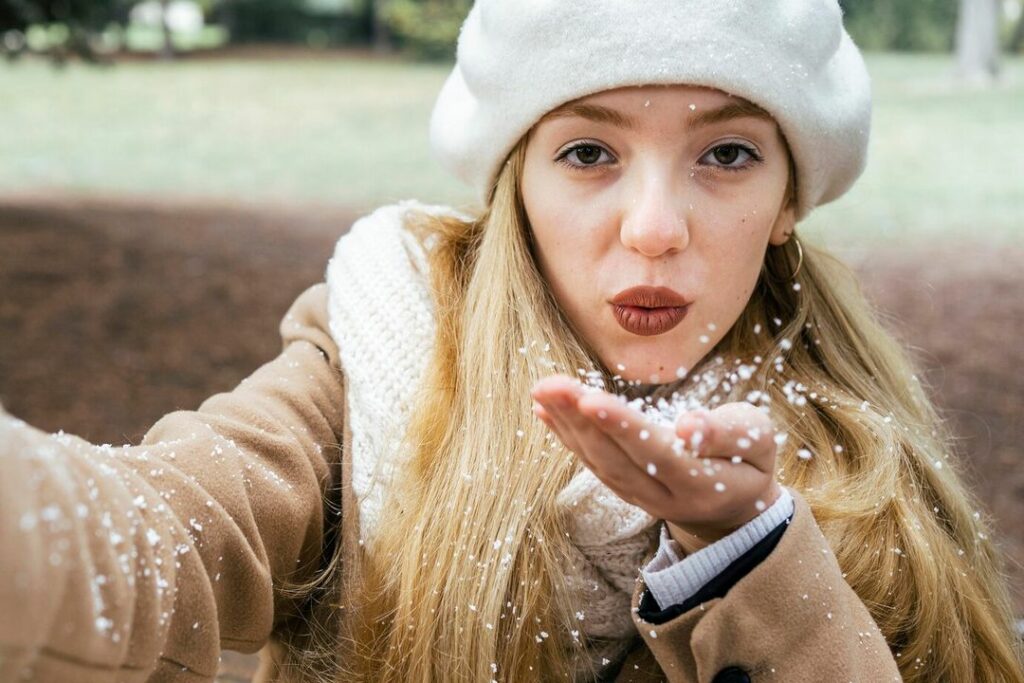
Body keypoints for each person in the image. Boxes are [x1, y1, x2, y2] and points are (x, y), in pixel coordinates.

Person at [1, 0, 1022, 681]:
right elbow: (160, 535)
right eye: (587, 151)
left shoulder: (862, 438)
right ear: (513, 180)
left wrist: (749, 546)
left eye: (726, 152)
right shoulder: (382, 341)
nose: (655, 226)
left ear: (790, 193)